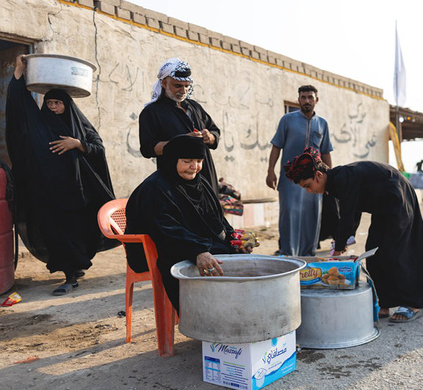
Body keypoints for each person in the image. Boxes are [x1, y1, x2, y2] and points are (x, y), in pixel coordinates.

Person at [284, 148, 423, 323]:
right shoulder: (336, 182)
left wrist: (337, 250)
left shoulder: (342, 177)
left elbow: (347, 215)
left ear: (318, 176)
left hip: (398, 198)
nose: (308, 191)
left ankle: (413, 304)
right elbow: (355, 208)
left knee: (395, 252)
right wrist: (346, 239)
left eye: (307, 185)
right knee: (374, 251)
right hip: (382, 207)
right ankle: (385, 302)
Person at [6, 55, 118, 295]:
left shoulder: (80, 126)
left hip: (77, 192)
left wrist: (77, 144)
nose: (53, 108)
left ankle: (73, 271)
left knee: (77, 231)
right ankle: (70, 275)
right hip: (47, 191)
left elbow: (98, 148)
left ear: (67, 105)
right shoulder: (38, 123)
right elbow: (19, 107)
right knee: (57, 232)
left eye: (58, 103)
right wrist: (18, 73)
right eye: (49, 103)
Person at [125, 135, 251, 313]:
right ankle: (206, 317)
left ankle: (234, 313)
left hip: (194, 242)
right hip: (163, 249)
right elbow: (164, 229)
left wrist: (233, 238)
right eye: (187, 161)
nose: (195, 166)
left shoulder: (199, 182)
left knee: (235, 257)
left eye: (199, 160)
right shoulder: (155, 189)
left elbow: (215, 217)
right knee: (212, 263)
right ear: (171, 160)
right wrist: (197, 250)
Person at [266, 85, 333, 256]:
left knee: (312, 217)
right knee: (289, 215)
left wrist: (330, 177)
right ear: (298, 100)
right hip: (290, 180)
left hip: (316, 180)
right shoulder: (287, 120)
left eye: (310, 97)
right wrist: (270, 171)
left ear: (316, 100)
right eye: (303, 97)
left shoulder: (322, 124)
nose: (307, 101)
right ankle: (288, 254)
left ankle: (308, 255)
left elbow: (325, 152)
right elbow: (276, 146)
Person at [139, 57, 221, 194]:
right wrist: (180, 143)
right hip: (175, 184)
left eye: (186, 86)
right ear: (164, 83)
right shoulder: (152, 112)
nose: (183, 91)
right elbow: (148, 148)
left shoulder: (194, 107)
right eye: (178, 86)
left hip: (205, 178)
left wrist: (210, 137)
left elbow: (214, 131)